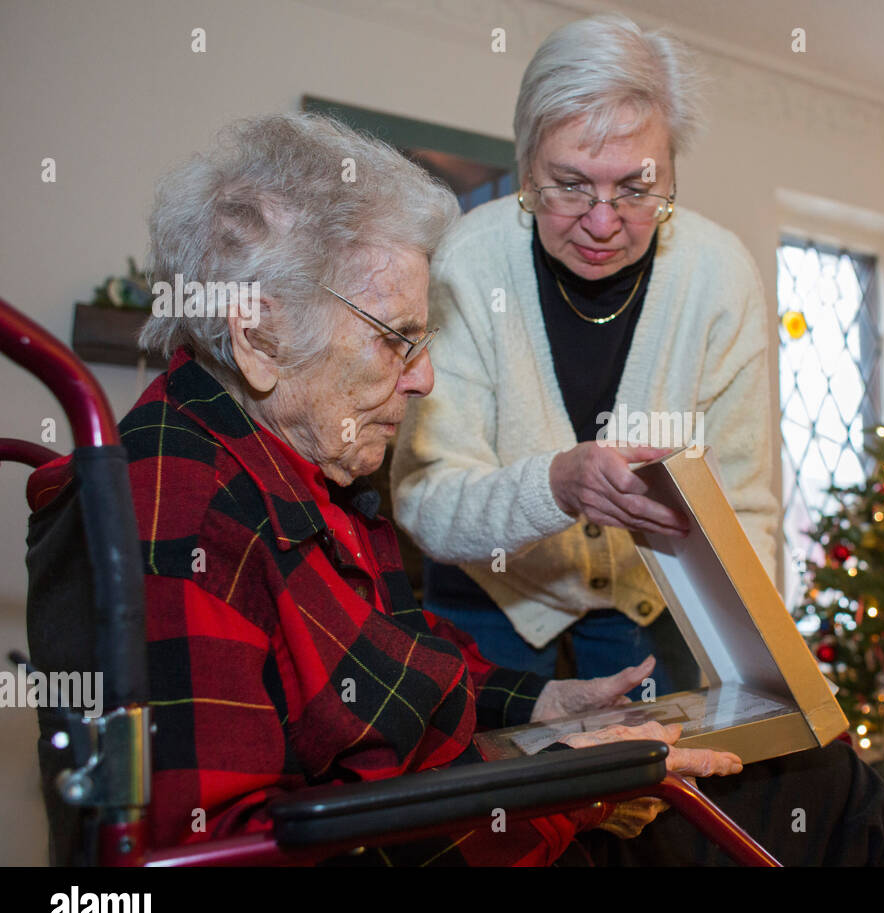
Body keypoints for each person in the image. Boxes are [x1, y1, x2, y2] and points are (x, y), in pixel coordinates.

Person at [23, 112, 742, 866]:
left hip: (475, 811)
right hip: (466, 840)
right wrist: (560, 786)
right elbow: (228, 851)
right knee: (800, 791)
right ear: (258, 338)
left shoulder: (302, 462)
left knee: (797, 778)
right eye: (394, 338)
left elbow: (394, 662)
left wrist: (539, 704)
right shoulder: (183, 514)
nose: (424, 375)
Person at [390, 13, 778, 695]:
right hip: (487, 596)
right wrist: (553, 486)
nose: (603, 224)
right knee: (495, 796)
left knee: (654, 797)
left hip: (653, 600)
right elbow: (426, 500)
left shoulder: (721, 276)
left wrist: (766, 674)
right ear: (524, 167)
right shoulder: (465, 264)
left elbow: (745, 509)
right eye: (569, 185)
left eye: (635, 189)